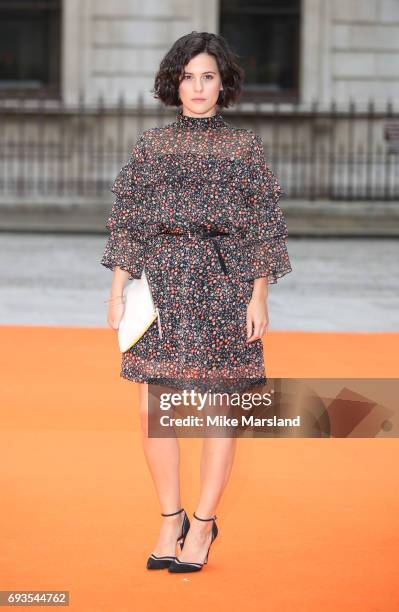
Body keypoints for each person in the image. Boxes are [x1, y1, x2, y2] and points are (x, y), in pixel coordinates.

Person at [100, 31, 292, 573]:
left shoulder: (244, 147)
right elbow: (129, 220)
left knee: (216, 412)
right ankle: (170, 517)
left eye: (208, 76)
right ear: (173, 83)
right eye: (188, 76)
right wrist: (117, 289)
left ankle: (204, 526)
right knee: (151, 411)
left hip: (225, 286)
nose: (198, 86)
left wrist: (260, 295)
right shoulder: (151, 146)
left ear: (223, 83)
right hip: (161, 285)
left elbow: (265, 228)